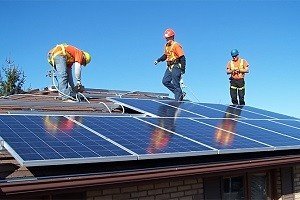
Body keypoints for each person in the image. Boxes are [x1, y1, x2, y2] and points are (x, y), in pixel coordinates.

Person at [154, 28, 186, 101]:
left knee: (176, 84)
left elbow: (182, 57)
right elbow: (165, 55)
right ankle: (179, 93)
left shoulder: (176, 45)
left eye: (168, 38)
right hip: (169, 67)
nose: (167, 39)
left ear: (172, 37)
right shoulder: (166, 46)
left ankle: (178, 101)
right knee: (165, 81)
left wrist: (182, 69)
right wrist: (158, 60)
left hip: (176, 66)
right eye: (166, 38)